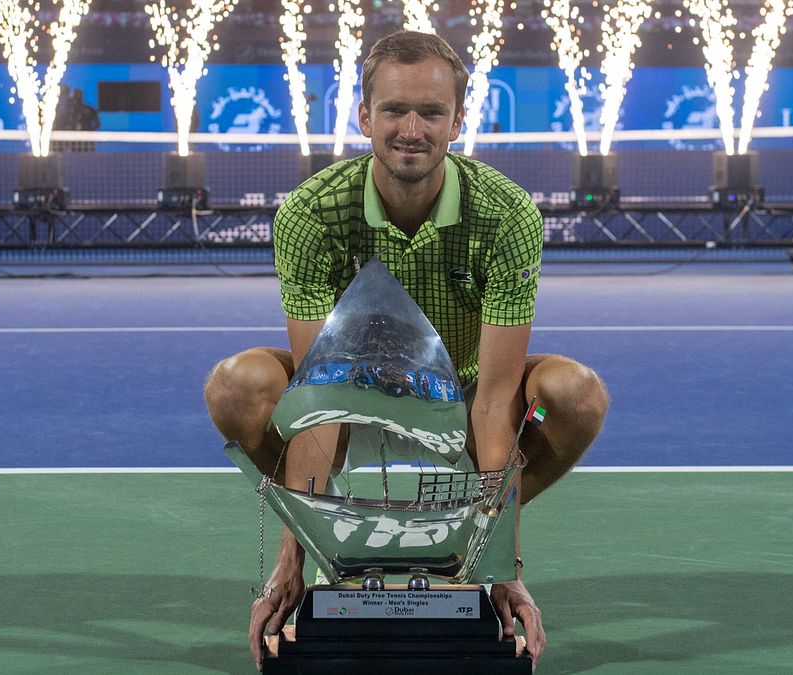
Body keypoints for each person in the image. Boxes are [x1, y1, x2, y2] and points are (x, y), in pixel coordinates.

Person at [203, 30, 609, 672]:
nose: (411, 130)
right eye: (394, 110)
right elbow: (319, 399)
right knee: (237, 385)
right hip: (352, 399)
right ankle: (362, 536)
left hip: (466, 402)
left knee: (574, 396)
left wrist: (501, 562)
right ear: (365, 117)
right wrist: (295, 553)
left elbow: (496, 399)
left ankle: (461, 535)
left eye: (431, 112)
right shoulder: (310, 214)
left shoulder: (507, 216)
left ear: (458, 121)